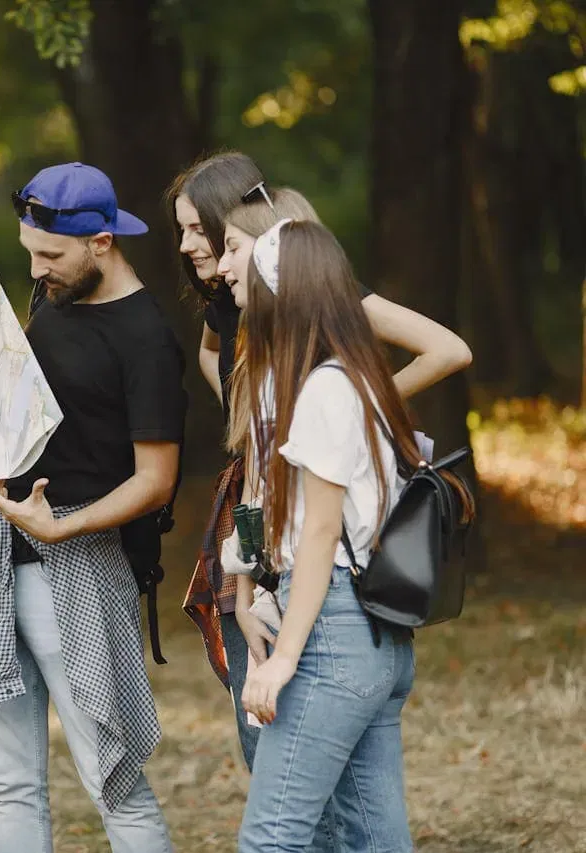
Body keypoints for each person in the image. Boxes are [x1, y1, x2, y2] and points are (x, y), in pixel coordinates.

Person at [168, 152, 472, 784]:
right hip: (251, 513)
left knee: (297, 743)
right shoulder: (228, 301)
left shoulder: (308, 295)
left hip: (303, 514)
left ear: (239, 226)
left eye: (200, 229)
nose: (188, 245)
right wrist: (247, 416)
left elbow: (449, 349)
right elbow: (212, 357)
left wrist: (362, 406)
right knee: (259, 728)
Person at [0, 162, 185, 853]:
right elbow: (43, 422)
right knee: (11, 781)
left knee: (113, 778)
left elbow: (156, 480)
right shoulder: (54, 297)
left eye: (51, 256)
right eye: (30, 254)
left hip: (76, 563)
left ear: (101, 242)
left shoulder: (146, 337)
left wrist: (63, 527)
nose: (38, 270)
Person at [228, 218, 472, 851]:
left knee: (271, 838)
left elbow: (320, 538)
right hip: (375, 639)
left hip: (336, 637)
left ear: (285, 295)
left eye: (246, 270)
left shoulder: (324, 392)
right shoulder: (358, 383)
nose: (233, 280)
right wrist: (248, 586)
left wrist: (283, 661)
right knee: (376, 839)